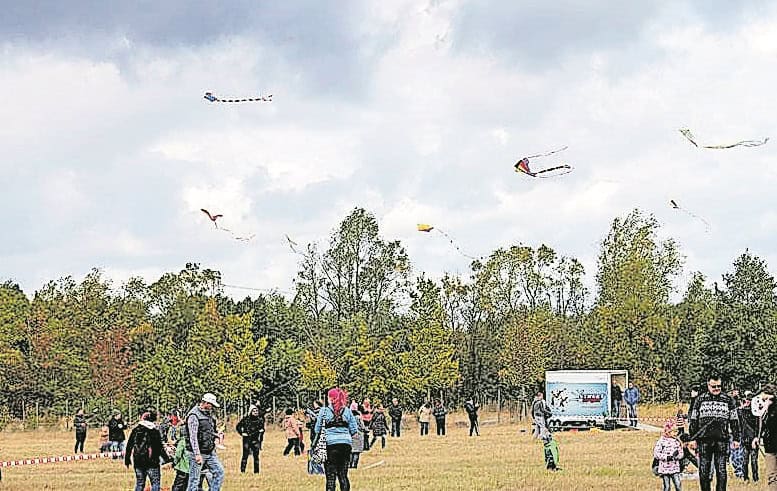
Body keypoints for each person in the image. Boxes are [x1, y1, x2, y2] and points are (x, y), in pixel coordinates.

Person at [689, 375, 740, 491]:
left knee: (721, 470)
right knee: (704, 471)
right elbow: (693, 420)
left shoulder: (728, 400)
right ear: (708, 385)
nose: (717, 388)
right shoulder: (700, 399)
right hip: (703, 440)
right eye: (714, 386)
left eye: (719, 386)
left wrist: (736, 438)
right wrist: (692, 438)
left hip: (722, 440)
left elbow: (734, 420)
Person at [314, 387, 359, 491]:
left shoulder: (324, 411)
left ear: (330, 398)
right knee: (343, 475)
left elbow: (317, 429)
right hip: (345, 445)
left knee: (331, 476)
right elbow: (354, 431)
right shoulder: (347, 411)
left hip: (330, 445)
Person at [185, 392, 225, 491]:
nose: (212, 407)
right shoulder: (193, 415)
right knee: (194, 480)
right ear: (206, 403)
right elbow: (193, 437)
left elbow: (207, 431)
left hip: (210, 452)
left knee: (219, 472)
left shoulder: (207, 415)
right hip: (197, 453)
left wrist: (217, 435)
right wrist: (197, 454)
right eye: (211, 405)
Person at [124, 410, 170, 491]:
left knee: (139, 483)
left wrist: (127, 459)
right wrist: (167, 459)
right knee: (155, 483)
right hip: (152, 462)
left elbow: (129, 445)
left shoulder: (135, 430)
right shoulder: (154, 431)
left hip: (138, 461)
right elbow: (159, 448)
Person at [756, 384, 777, 491]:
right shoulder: (765, 410)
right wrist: (757, 437)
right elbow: (761, 424)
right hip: (770, 446)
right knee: (771, 476)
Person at [653, 419, 683, 491]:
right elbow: (656, 453)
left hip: (675, 468)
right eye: (674, 431)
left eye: (676, 431)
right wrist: (666, 457)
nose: (676, 433)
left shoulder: (677, 441)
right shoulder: (661, 441)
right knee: (667, 487)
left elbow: (681, 453)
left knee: (678, 485)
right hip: (664, 469)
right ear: (668, 432)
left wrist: (677, 456)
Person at [236, 405, 263, 474]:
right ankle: (242, 471)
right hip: (247, 440)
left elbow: (262, 430)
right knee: (245, 455)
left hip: (255, 440)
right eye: (254, 411)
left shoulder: (260, 420)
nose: (255, 412)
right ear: (250, 411)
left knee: (256, 457)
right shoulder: (246, 419)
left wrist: (261, 434)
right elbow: (238, 426)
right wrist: (242, 433)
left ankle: (256, 472)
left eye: (256, 411)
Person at [738, 392, 759, 482]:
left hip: (753, 439)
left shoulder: (756, 413)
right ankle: (745, 478)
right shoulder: (741, 411)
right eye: (746, 400)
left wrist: (756, 437)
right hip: (744, 439)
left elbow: (758, 427)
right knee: (745, 461)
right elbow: (736, 414)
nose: (747, 402)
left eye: (749, 400)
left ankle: (755, 478)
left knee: (754, 461)